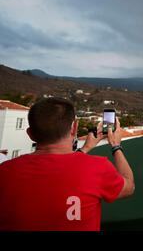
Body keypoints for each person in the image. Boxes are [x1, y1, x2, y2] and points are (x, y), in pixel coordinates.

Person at [0, 97, 135, 231]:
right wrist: (116, 145)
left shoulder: (5, 171)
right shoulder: (97, 168)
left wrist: (85, 148)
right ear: (74, 127)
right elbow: (129, 187)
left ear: (30, 134)